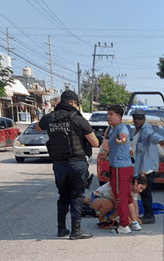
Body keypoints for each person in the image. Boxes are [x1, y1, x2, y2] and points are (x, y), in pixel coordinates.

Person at [36, 89, 98, 239]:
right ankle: (76, 231)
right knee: (77, 196)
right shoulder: (77, 119)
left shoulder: (49, 118)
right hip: (76, 163)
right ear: (72, 103)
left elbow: (38, 127)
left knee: (63, 196)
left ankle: (61, 229)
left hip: (59, 165)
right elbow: (95, 142)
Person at [131, 111, 164, 224]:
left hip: (146, 168)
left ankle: (149, 215)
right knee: (144, 194)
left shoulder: (146, 130)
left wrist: (160, 139)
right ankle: (148, 214)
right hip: (142, 167)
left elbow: (152, 136)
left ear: (144, 119)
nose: (137, 121)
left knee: (145, 193)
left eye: (140, 118)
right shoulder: (138, 130)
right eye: (135, 118)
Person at [101, 105, 134, 235]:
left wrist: (122, 140)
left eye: (111, 114)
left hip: (120, 168)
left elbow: (123, 135)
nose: (108, 116)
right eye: (107, 114)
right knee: (125, 195)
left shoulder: (120, 127)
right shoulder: (113, 128)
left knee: (120, 197)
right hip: (122, 167)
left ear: (118, 117)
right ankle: (134, 222)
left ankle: (124, 225)